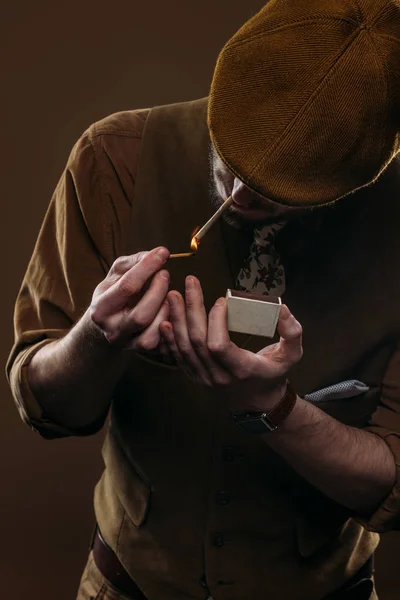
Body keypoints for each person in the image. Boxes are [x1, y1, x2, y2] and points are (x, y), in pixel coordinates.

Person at [6, 0, 400, 598]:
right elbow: (42, 402)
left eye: (276, 188)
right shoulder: (115, 157)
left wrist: (274, 408)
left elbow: (392, 490)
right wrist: (96, 337)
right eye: (229, 150)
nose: (239, 190)